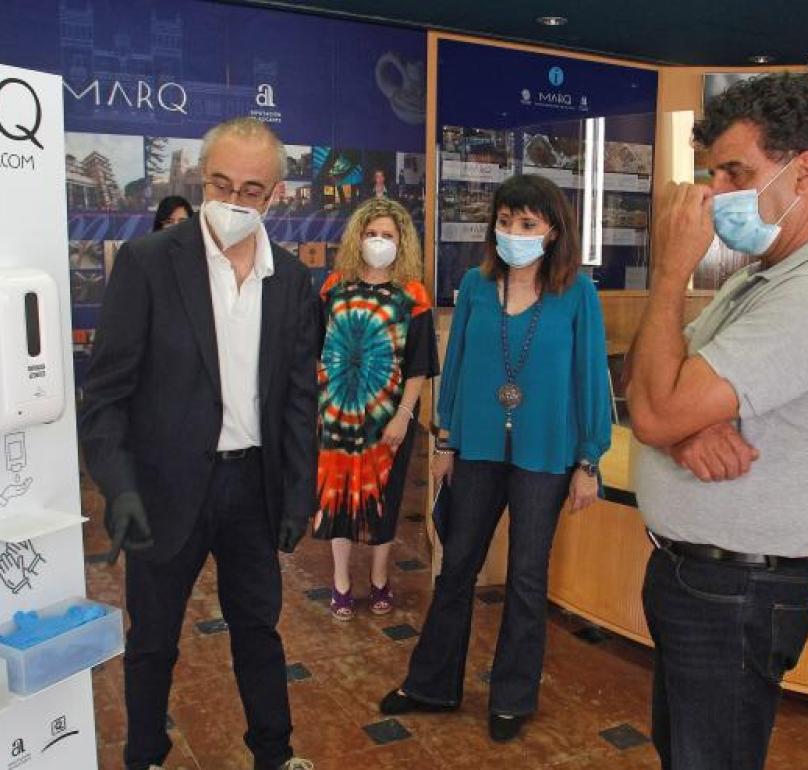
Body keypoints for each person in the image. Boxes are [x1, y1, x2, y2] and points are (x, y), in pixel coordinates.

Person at [626, 74, 808, 769]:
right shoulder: (762, 273)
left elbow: (652, 405)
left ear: (805, 171)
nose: (713, 193)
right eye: (711, 172)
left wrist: (670, 272)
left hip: (734, 591)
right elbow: (667, 389)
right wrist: (687, 424)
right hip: (703, 580)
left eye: (735, 171)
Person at [79, 117, 320, 770]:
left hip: (252, 488)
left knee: (258, 631)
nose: (234, 201)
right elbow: (104, 397)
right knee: (152, 639)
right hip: (164, 487)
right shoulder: (151, 263)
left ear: (274, 196)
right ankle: (145, 757)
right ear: (200, 179)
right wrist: (119, 486)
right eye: (220, 183)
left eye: (251, 189)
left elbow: (299, 399)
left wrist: (301, 489)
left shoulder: (292, 282)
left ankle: (275, 755)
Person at [379, 174, 612, 742]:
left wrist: (589, 461)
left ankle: (512, 695)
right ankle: (432, 684)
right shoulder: (478, 286)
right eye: (505, 221)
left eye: (527, 224)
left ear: (552, 231)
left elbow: (590, 378)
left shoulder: (577, 292)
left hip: (546, 456)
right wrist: (446, 440)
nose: (514, 233)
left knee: (527, 578)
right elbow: (454, 366)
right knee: (457, 567)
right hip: (478, 447)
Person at [314, 198, 439, 620]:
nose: (378, 242)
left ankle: (381, 578)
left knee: (382, 500)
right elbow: (315, 351)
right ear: (357, 238)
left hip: (388, 423)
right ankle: (341, 582)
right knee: (336, 501)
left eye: (387, 235)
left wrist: (404, 417)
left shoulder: (413, 297)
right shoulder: (334, 288)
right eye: (371, 234)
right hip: (336, 418)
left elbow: (420, 366)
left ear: (401, 241)